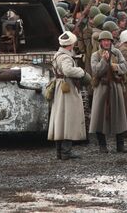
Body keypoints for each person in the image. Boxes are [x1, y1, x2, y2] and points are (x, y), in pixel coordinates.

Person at [48, 31, 91, 160]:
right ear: (71, 44)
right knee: (68, 119)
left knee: (60, 120)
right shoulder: (66, 57)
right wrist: (81, 71)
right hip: (67, 88)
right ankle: (66, 152)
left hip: (61, 87)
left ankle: (60, 152)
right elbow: (67, 70)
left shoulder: (57, 55)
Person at [90, 31, 127, 153]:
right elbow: (96, 71)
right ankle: (102, 146)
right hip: (101, 87)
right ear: (100, 42)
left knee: (119, 115)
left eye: (108, 40)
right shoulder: (95, 55)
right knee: (99, 115)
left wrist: (115, 66)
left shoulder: (117, 52)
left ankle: (120, 145)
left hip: (115, 86)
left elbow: (126, 66)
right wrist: (103, 61)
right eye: (104, 40)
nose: (106, 42)